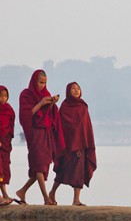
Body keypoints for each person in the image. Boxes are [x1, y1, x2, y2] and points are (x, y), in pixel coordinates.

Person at [16, 69, 64, 205]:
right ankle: (46, 198)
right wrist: (41, 103)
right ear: (34, 81)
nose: (42, 85)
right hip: (34, 134)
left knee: (42, 165)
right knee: (39, 166)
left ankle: (22, 191)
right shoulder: (26, 95)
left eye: (45, 83)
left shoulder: (46, 94)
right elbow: (26, 115)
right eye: (40, 82)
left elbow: (48, 114)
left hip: (46, 134)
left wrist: (52, 103)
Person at [49, 82, 96, 206]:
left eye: (78, 88)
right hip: (67, 146)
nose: (76, 91)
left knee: (79, 173)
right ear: (68, 91)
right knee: (62, 171)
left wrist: (81, 144)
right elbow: (62, 127)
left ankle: (76, 200)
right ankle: (52, 192)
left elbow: (85, 128)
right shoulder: (65, 106)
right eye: (73, 89)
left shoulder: (83, 107)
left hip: (81, 145)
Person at [0, 86, 15, 205]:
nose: (3, 98)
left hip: (5, 143)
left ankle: (4, 194)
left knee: (4, 169)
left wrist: (8, 139)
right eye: (0, 96)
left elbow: (11, 126)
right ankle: (2, 195)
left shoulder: (9, 110)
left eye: (5, 96)